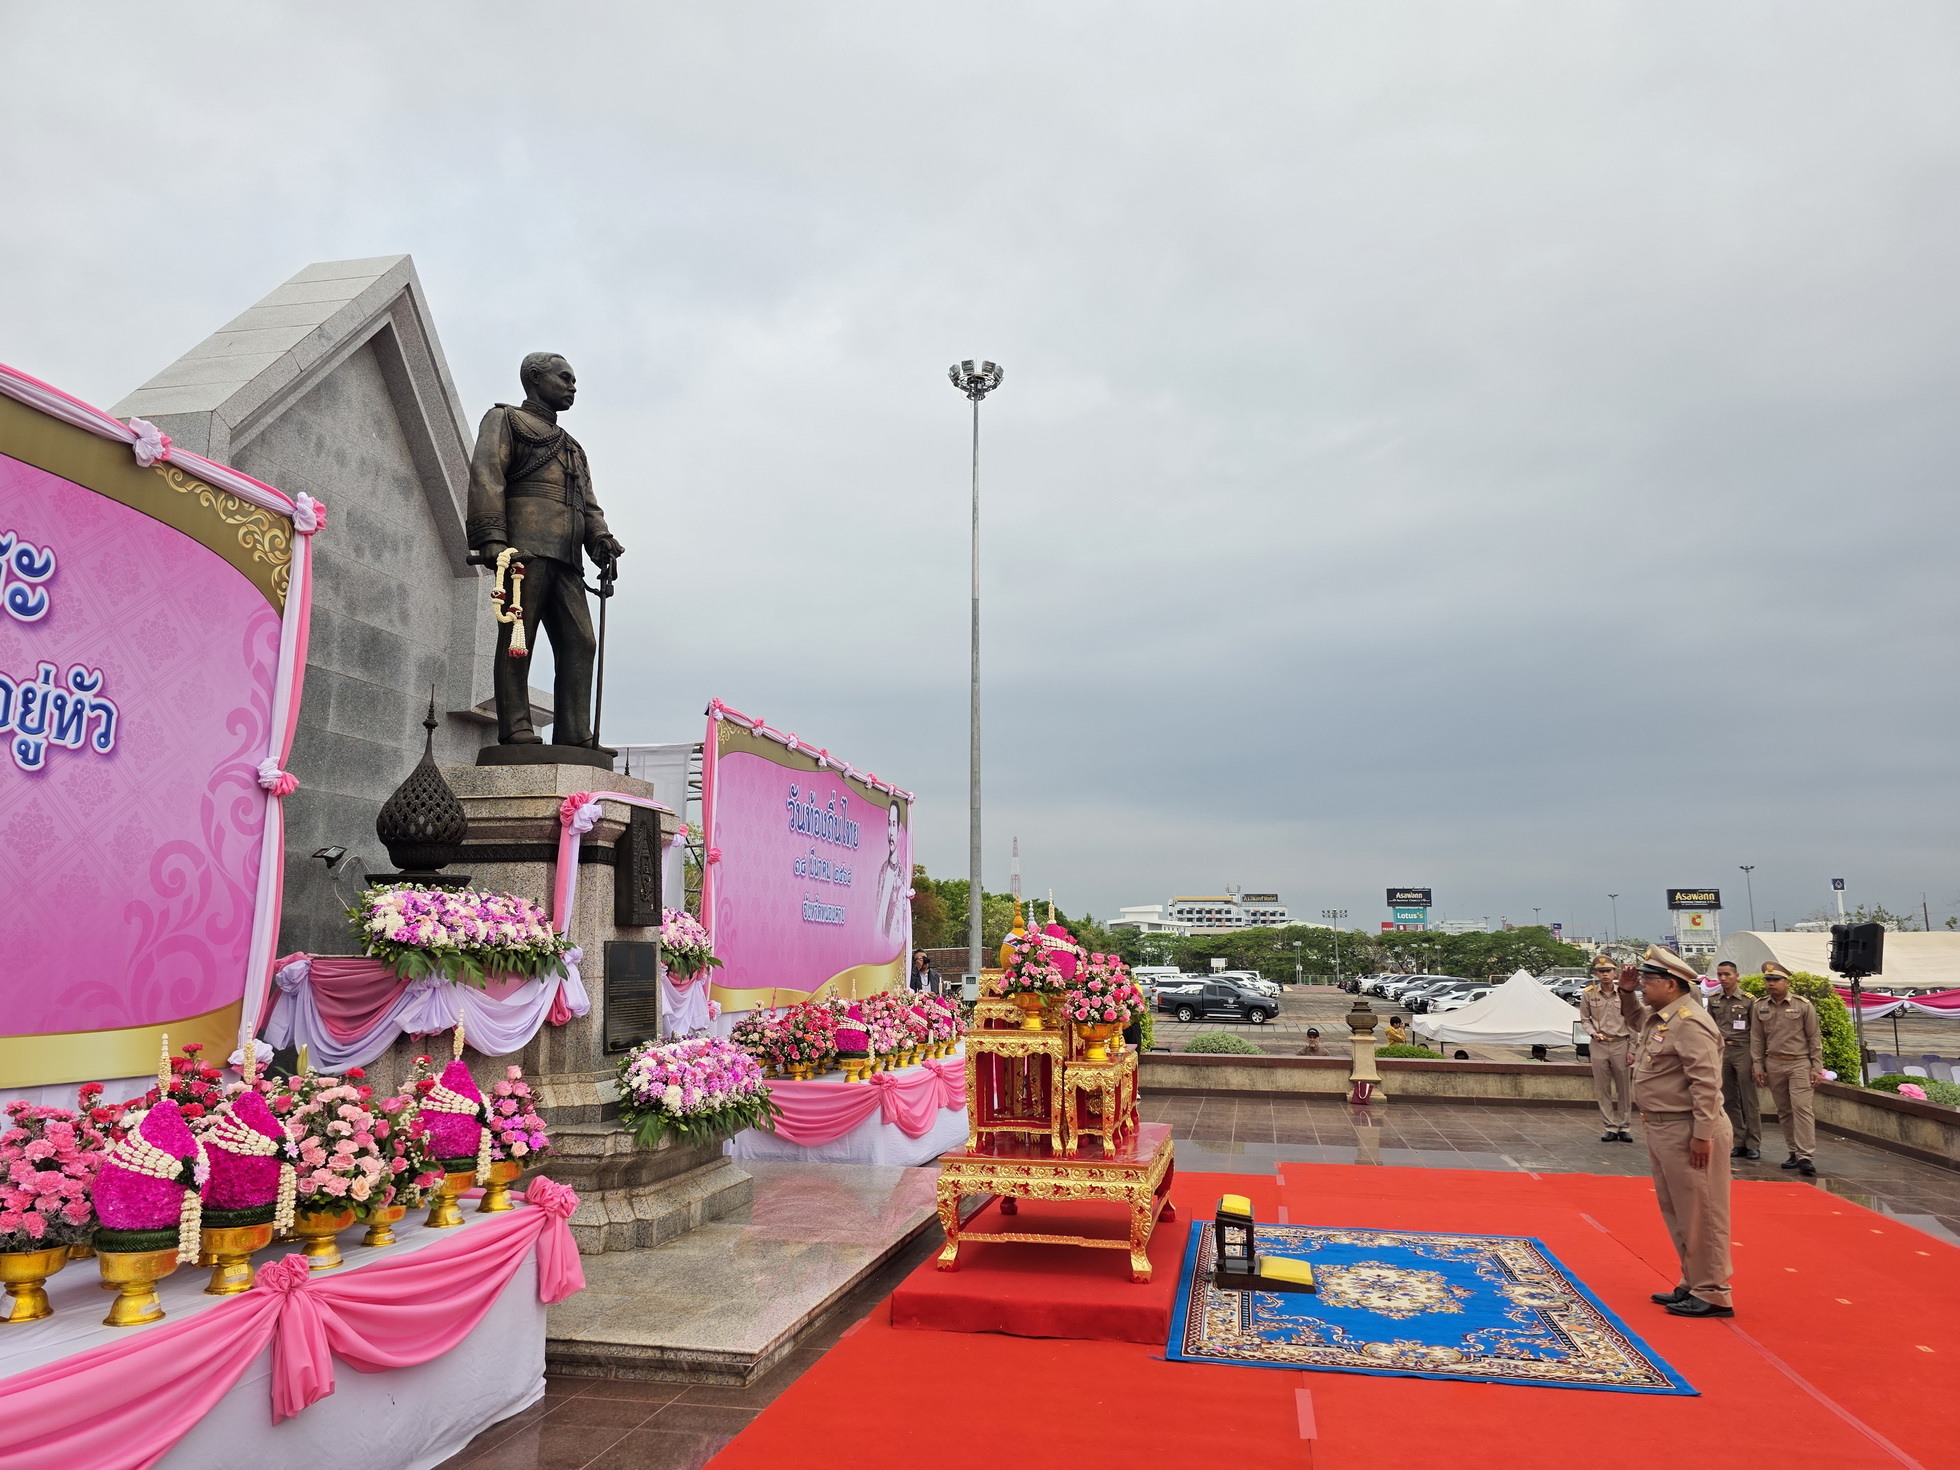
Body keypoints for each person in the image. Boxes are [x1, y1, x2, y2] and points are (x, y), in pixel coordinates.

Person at [1632, 945, 1734, 1318]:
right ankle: (1693, 1280)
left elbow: (1706, 1082)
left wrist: (1702, 1134)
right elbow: (1633, 1019)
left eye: (1648, 981)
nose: (1642, 986)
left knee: (1703, 1212)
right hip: (1664, 1127)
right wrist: (1626, 992)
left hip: (1689, 1128)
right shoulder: (1663, 1017)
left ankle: (1714, 1291)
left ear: (1671, 984)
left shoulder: (1690, 1022)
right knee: (1679, 1211)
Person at [1750, 961, 1823, 1177]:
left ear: (1787, 982)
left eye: (1775, 980)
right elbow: (1757, 1038)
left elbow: (1814, 1037)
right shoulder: (1760, 1006)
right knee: (1784, 1110)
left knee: (1802, 1108)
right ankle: (1793, 1152)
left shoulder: (1803, 1005)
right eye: (1768, 980)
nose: (1771, 984)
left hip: (1799, 1063)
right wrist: (1758, 1064)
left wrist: (1816, 1067)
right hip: (1774, 1063)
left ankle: (1805, 1156)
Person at [1704, 960, 1762, 1161]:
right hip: (1722, 1051)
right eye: (1720, 974)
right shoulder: (1714, 999)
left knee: (1749, 1099)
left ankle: (1753, 1143)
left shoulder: (1748, 1000)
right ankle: (1738, 1141)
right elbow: (1710, 1028)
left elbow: (1757, 1032)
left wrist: (1757, 1060)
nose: (1723, 978)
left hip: (1743, 1050)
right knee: (1728, 1098)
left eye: (1727, 974)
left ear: (1737, 976)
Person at [1578, 954, 1639, 1142]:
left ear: (1615, 972)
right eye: (1601, 971)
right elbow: (1585, 1019)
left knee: (1624, 1088)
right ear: (1596, 973)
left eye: (1608, 971)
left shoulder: (1624, 993)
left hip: (1621, 1043)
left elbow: (1633, 1022)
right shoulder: (1589, 993)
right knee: (1602, 1088)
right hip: (1599, 1044)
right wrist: (1592, 1033)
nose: (1605, 974)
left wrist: (1632, 1049)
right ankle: (1610, 1126)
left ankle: (1624, 1126)